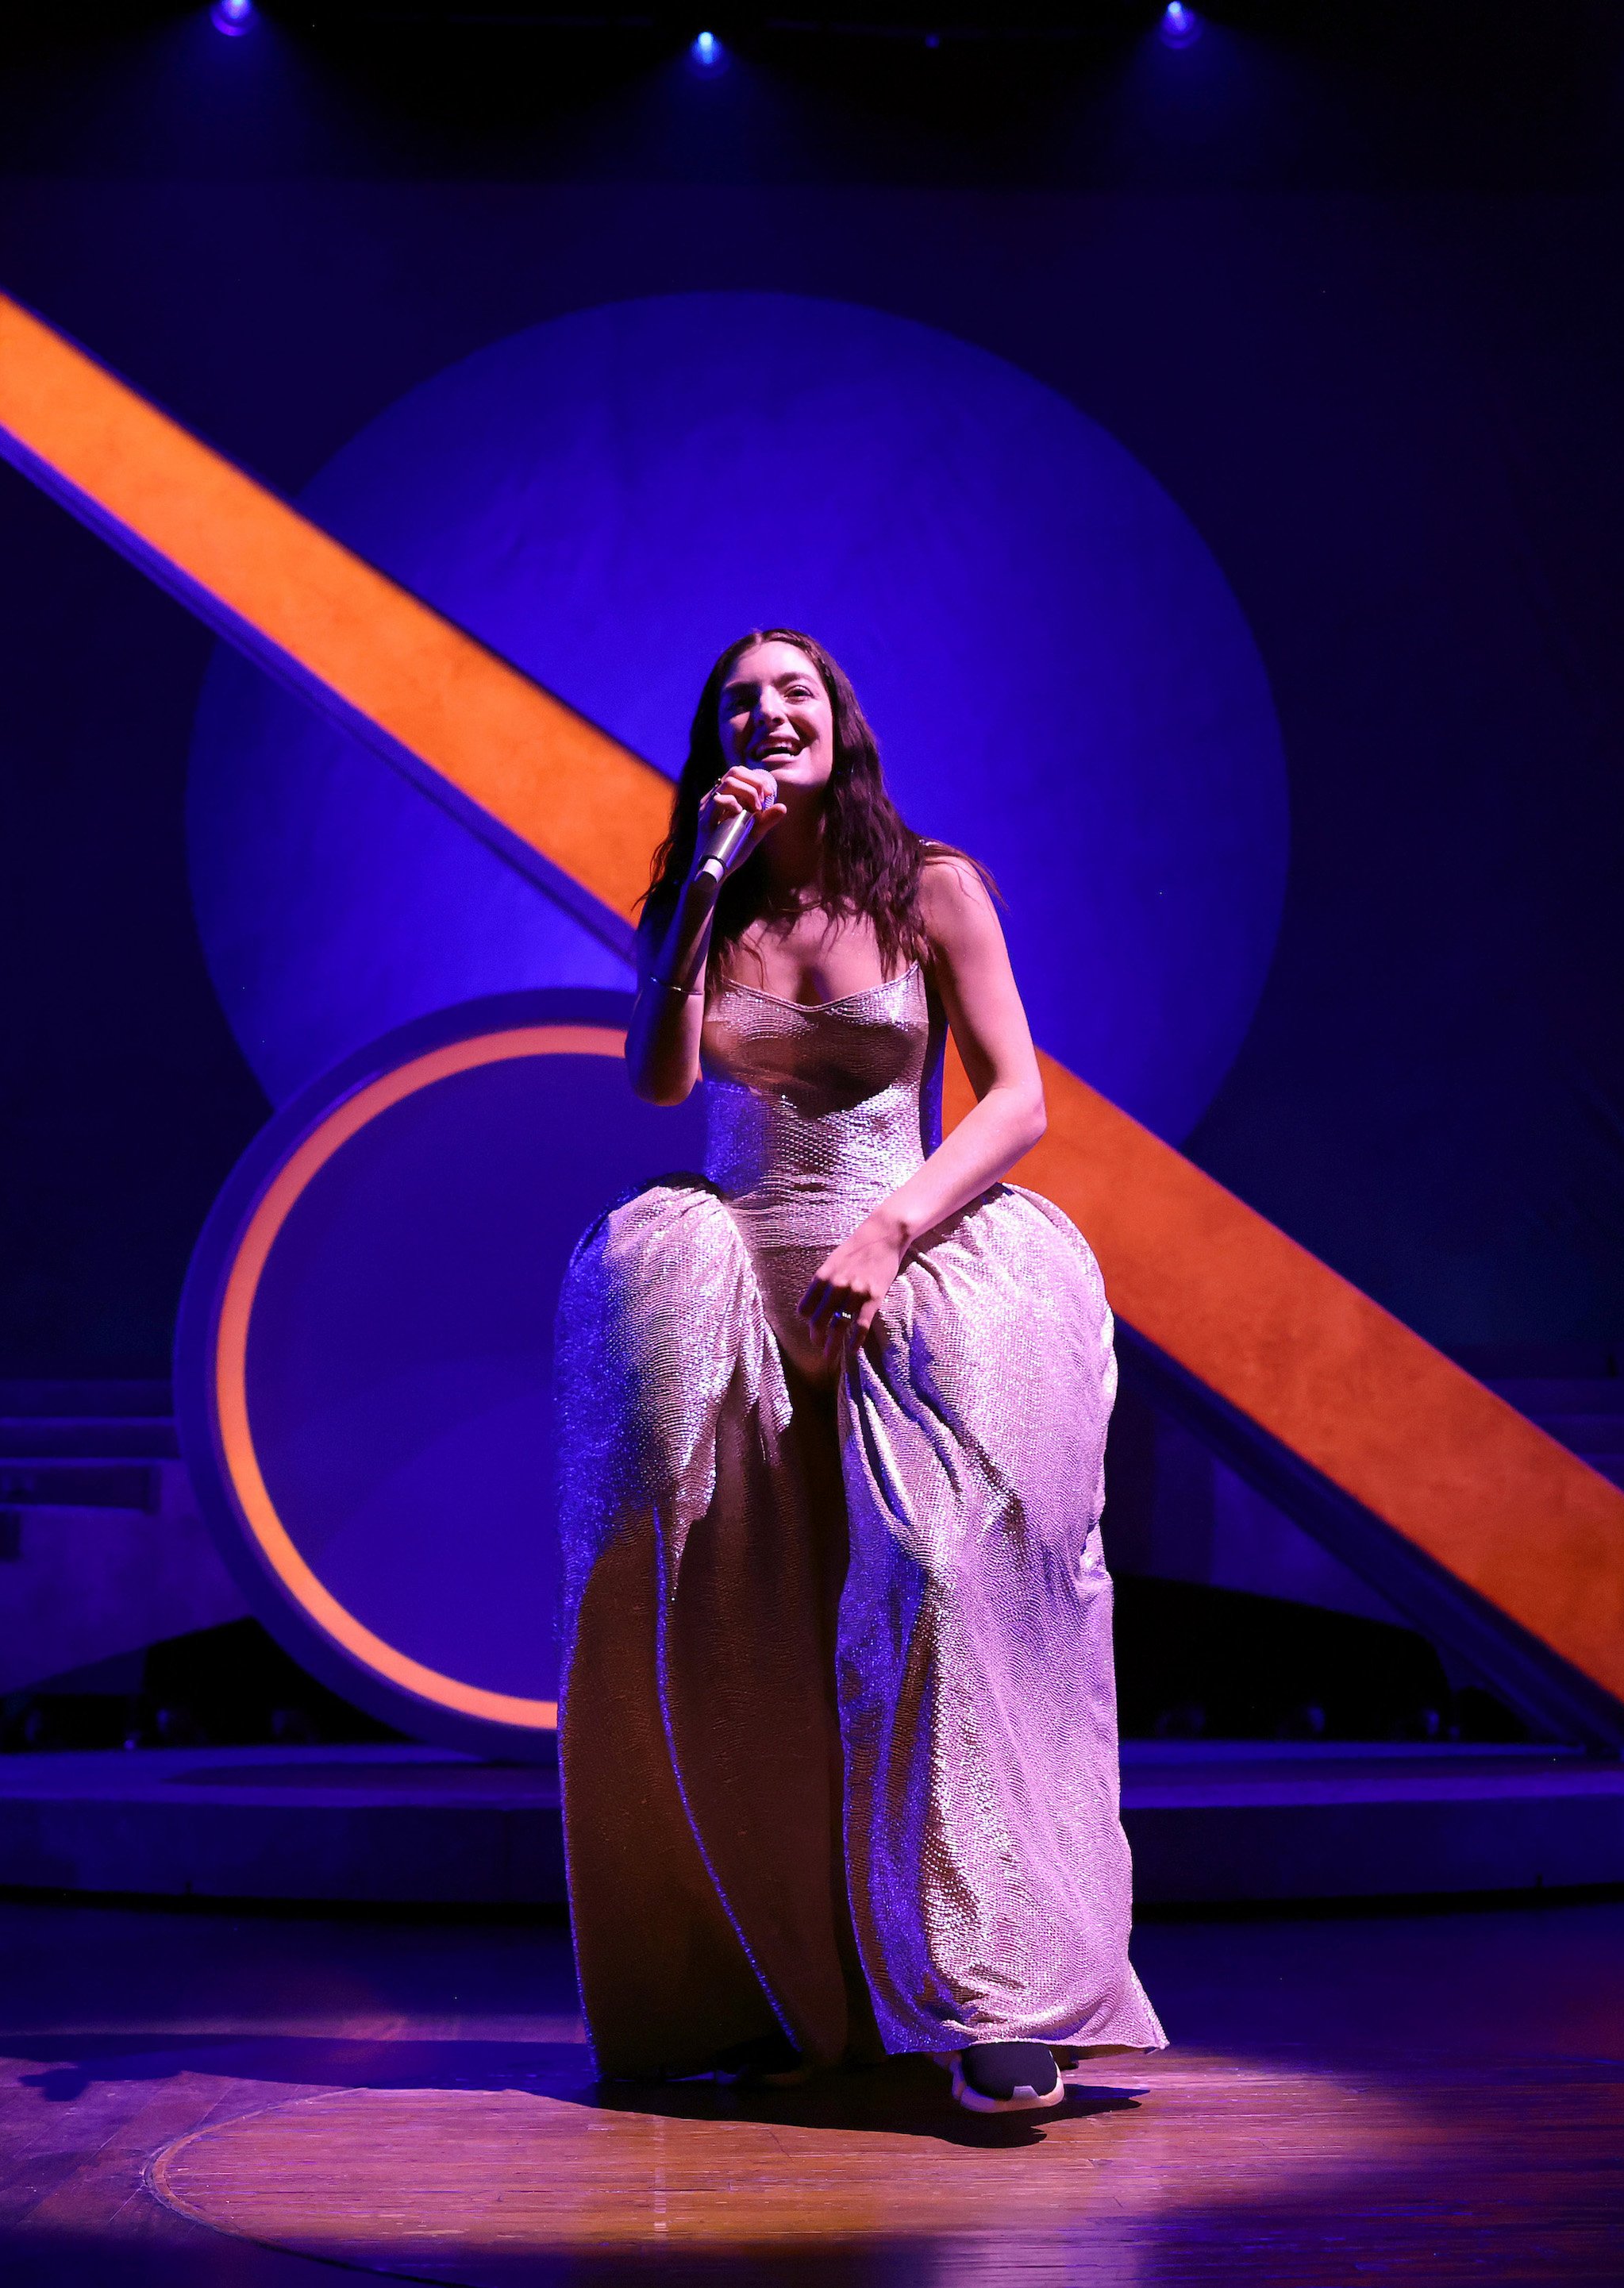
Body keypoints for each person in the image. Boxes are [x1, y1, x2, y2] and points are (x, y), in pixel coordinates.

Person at [553, 627, 1164, 2117]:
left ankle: (990, 1994)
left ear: (842, 723)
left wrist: (891, 1231)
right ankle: (766, 1989)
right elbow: (659, 1078)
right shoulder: (698, 898)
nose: (769, 715)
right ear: (715, 742)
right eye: (740, 703)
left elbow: (1015, 1095)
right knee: (722, 1606)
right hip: (729, 1280)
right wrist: (699, 884)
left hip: (909, 1260)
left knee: (941, 1580)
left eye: (795, 694)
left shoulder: (932, 888)